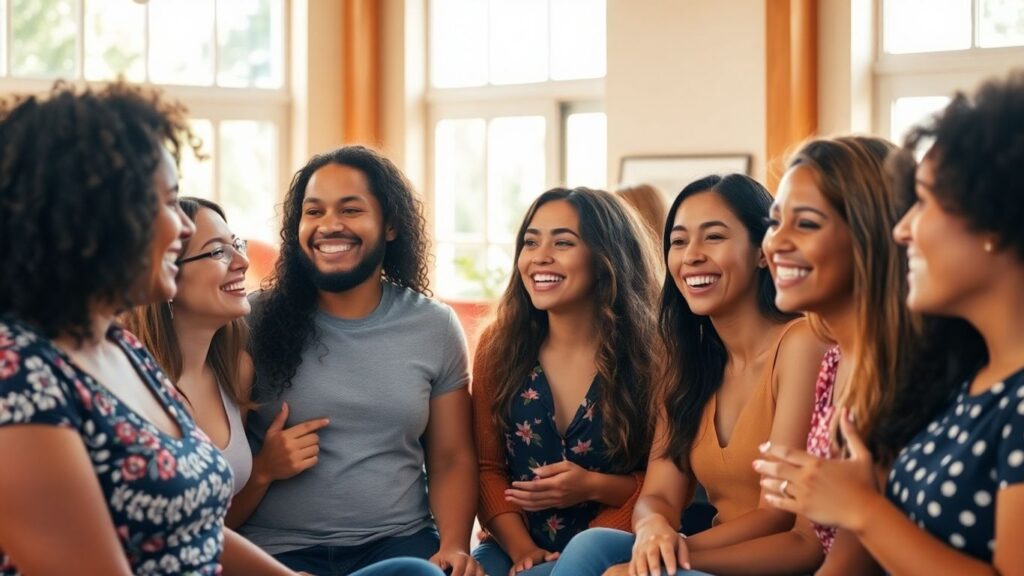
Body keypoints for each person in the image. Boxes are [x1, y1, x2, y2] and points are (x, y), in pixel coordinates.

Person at [0, 82, 299, 575]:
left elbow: (196, 525)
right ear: (90, 219)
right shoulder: (18, 372)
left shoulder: (122, 348)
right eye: (166, 203)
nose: (183, 231)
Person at [756, 72, 1024, 574]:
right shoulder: (970, 380)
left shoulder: (973, 385)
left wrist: (859, 507)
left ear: (994, 220)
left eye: (923, 202)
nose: (903, 228)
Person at [551, 174, 828, 575]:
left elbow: (779, 518)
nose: (691, 255)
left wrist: (671, 552)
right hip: (704, 557)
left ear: (763, 252)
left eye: (713, 237)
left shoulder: (801, 343)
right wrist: (651, 530)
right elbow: (659, 494)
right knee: (594, 545)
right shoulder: (683, 357)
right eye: (678, 242)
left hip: (770, 562)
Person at [243, 146, 483, 576]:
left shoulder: (433, 326)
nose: (329, 225)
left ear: (390, 225)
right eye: (313, 212)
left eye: (350, 210)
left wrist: (453, 545)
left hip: (399, 546)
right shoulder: (251, 321)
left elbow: (450, 456)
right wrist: (264, 469)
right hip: (276, 550)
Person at [470, 188, 661, 576]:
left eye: (563, 242)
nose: (540, 256)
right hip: (511, 546)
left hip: (613, 547)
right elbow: (487, 469)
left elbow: (665, 489)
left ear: (606, 258)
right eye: (530, 242)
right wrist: (523, 550)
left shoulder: (654, 355)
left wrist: (592, 486)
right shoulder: (497, 345)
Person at [753, 135, 917, 574]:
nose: (775, 243)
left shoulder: (903, 370)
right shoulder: (835, 361)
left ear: (870, 235)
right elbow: (813, 539)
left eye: (805, 224)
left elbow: (851, 560)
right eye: (774, 222)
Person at [122, 197, 329, 529]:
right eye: (219, 251)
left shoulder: (235, 370)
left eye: (237, 245)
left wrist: (262, 472)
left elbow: (217, 528)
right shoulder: (134, 387)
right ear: (166, 276)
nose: (243, 261)